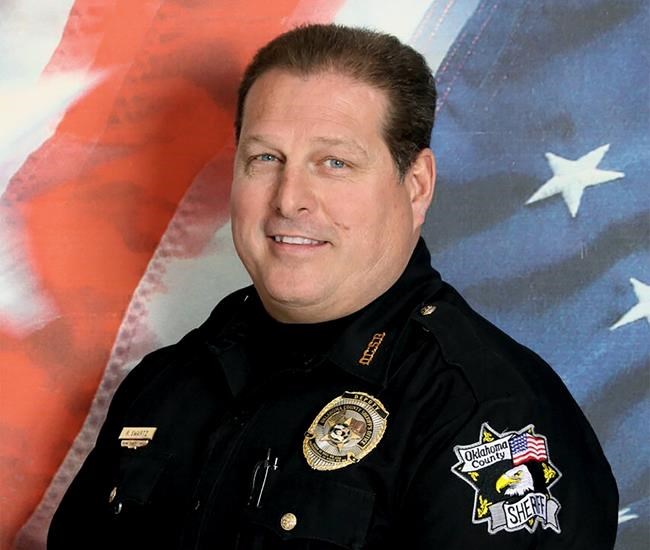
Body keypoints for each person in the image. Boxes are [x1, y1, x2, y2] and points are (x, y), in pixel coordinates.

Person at [48, 24, 618, 549]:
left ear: (417, 185)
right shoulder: (166, 383)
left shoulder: (484, 416)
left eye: (335, 163)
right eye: (265, 158)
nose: (289, 199)